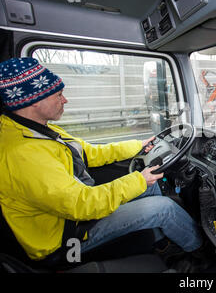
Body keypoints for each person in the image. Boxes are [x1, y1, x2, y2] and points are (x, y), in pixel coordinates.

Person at [0, 57, 204, 270]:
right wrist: (138, 180)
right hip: (66, 240)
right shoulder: (23, 154)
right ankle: (200, 254)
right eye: (58, 95)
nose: (65, 100)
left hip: (72, 214)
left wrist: (138, 145)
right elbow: (83, 205)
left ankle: (163, 244)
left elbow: (89, 152)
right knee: (164, 209)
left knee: (151, 188)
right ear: (34, 100)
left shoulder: (36, 129)